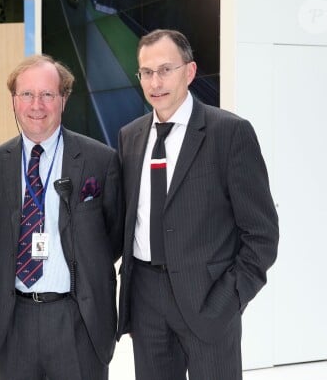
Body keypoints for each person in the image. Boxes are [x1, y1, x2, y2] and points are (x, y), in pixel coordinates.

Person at [117, 29, 279, 380]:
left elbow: (262, 235)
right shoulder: (130, 136)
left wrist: (228, 300)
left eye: (165, 69)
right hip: (146, 301)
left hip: (209, 300)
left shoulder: (229, 133)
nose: (155, 82)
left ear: (189, 72)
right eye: (146, 72)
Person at [0, 54, 123, 380]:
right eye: (27, 94)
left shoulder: (100, 160)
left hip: (78, 319)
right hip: (14, 320)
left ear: (63, 99)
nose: (37, 105)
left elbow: (112, 235)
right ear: (14, 101)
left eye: (47, 94)